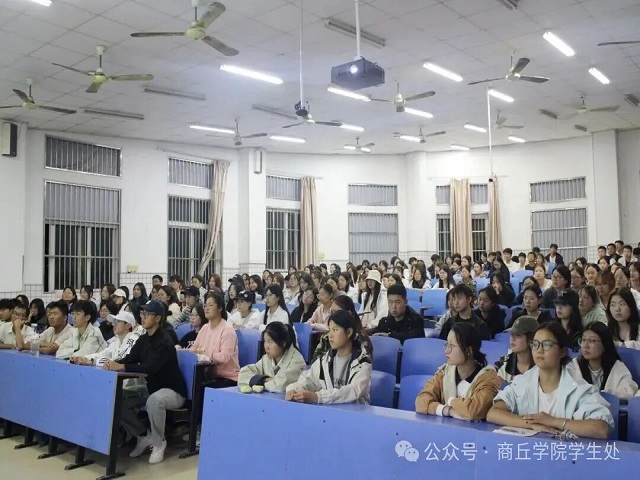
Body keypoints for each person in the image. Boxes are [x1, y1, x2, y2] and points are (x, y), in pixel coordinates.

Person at [486, 323, 614, 439]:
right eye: (535, 344)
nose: (539, 350)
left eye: (547, 344)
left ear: (562, 351)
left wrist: (552, 421)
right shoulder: (523, 381)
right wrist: (530, 424)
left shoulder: (578, 387)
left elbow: (601, 429)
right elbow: (493, 413)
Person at [104, 300, 187, 464]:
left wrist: (122, 366)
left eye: (147, 314)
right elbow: (130, 358)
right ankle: (142, 435)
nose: (143, 317)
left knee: (155, 400)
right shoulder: (143, 339)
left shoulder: (165, 341)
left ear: (158, 318)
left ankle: (159, 442)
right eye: (142, 314)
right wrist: (113, 363)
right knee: (117, 398)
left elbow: (151, 368)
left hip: (173, 391)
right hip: (151, 388)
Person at [416, 322, 501, 420]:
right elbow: (421, 401)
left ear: (468, 351)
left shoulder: (488, 379)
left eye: (452, 345)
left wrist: (451, 401)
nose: (447, 350)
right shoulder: (444, 373)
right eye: (446, 344)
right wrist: (447, 411)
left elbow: (472, 411)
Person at [286, 310, 372, 404]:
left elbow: (353, 391)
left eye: (335, 330)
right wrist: (294, 390)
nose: (330, 335)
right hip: (330, 411)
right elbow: (308, 379)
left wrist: (318, 397)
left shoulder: (363, 362)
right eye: (329, 330)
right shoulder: (325, 360)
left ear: (349, 332)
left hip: (354, 412)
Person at [567, 322, 638, 400]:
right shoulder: (574, 366)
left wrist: (603, 395)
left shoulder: (616, 367)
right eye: (583, 340)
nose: (585, 346)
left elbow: (628, 392)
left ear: (605, 344)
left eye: (591, 341)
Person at [238, 322, 306, 392]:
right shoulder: (267, 358)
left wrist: (256, 382)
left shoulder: (296, 362)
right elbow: (242, 375)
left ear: (283, 343)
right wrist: (264, 379)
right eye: (265, 341)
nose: (266, 347)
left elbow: (280, 386)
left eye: (270, 342)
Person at [190, 292, 240, 386]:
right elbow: (194, 348)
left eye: (210, 305)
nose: (206, 308)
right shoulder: (205, 328)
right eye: (205, 305)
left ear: (220, 308)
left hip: (227, 378)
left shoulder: (227, 330)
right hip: (209, 375)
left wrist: (206, 355)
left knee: (199, 387)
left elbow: (224, 357)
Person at [70, 311, 141, 367]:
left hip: (129, 379)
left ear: (128, 325)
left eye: (118, 321)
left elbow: (118, 361)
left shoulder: (134, 339)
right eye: (114, 321)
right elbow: (102, 354)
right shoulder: (116, 340)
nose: (113, 324)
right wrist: (84, 358)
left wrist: (91, 361)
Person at [495, 316, 537, 382]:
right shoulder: (503, 363)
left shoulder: (541, 365)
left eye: (518, 335)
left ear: (531, 340)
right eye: (511, 334)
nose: (512, 338)